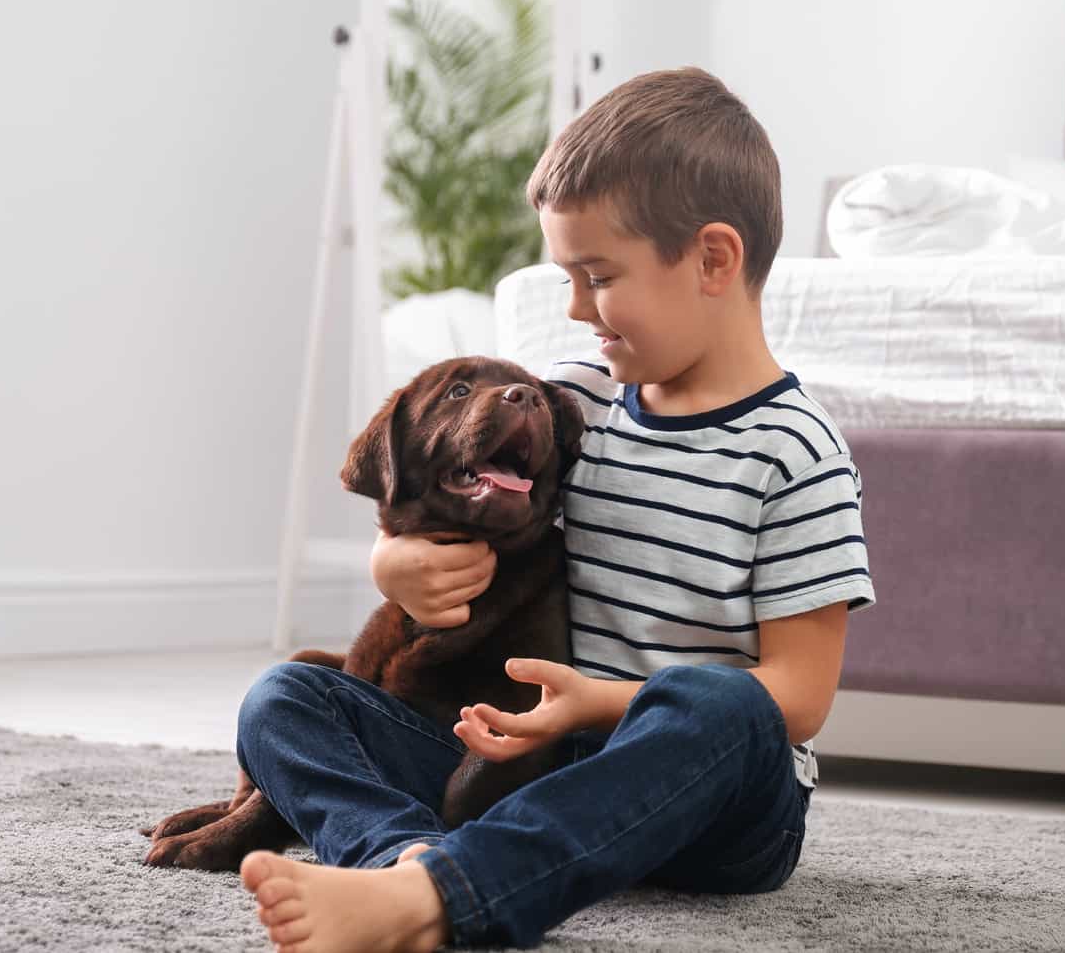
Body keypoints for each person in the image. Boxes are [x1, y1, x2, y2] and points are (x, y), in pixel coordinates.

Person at [236, 66, 876, 953]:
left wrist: (596, 705)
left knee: (717, 701)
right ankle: (397, 859)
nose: (575, 309)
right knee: (288, 694)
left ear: (713, 260)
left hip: (719, 806)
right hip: (529, 770)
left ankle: (445, 898)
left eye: (597, 276)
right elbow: (442, 487)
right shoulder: (575, 403)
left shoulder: (798, 455)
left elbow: (799, 699)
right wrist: (396, 568)